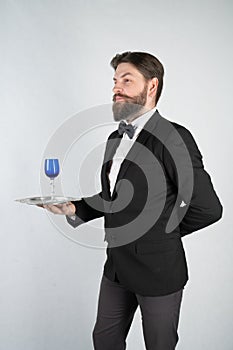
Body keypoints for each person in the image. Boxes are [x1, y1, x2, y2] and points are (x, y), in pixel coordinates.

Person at [43, 52, 223, 350]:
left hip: (159, 271)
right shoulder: (116, 137)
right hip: (116, 267)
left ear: (151, 86)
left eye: (127, 80)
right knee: (105, 340)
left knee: (159, 345)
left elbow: (208, 209)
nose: (117, 87)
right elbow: (113, 198)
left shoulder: (174, 137)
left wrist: (158, 235)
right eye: (115, 80)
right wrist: (73, 208)